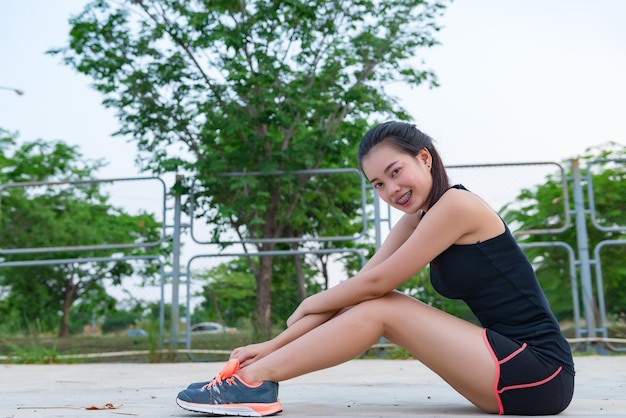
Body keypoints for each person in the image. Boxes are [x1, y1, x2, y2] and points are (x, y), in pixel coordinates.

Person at [176, 121, 575, 416]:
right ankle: (255, 378)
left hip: (540, 372)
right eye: (377, 184)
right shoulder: (416, 220)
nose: (390, 190)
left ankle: (252, 383)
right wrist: (271, 343)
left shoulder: (458, 205)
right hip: (502, 368)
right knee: (373, 302)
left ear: (425, 158)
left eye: (395, 172)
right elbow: (358, 288)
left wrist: (311, 300)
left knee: (386, 304)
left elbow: (377, 285)